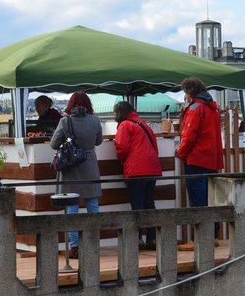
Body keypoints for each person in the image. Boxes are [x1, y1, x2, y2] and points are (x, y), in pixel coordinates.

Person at [50, 91, 102, 258]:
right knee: (92, 205)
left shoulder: (65, 121)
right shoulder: (95, 120)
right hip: (90, 165)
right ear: (88, 104)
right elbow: (98, 141)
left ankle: (74, 247)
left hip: (71, 167)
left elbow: (53, 144)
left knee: (72, 207)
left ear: (71, 104)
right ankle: (93, 243)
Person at [113, 101, 162, 250]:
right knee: (149, 203)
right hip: (152, 167)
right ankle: (152, 238)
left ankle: (138, 239)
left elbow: (121, 147)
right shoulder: (144, 124)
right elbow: (154, 146)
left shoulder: (125, 125)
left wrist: (122, 162)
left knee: (137, 204)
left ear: (120, 113)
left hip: (136, 169)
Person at [176, 77, 223, 209]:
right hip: (212, 160)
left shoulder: (195, 109)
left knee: (198, 203)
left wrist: (181, 153)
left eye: (185, 93)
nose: (185, 96)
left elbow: (189, 136)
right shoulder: (213, 109)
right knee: (212, 201)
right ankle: (213, 229)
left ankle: (202, 230)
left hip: (197, 160)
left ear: (190, 93)